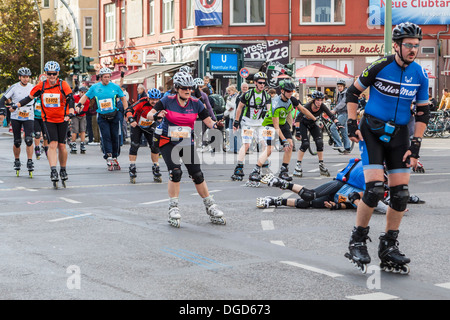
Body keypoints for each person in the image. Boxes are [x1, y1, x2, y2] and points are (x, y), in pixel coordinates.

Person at [344, 22, 430, 274]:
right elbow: (352, 93)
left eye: (417, 45)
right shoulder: (379, 66)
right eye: (409, 45)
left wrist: (415, 146)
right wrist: (351, 125)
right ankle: (357, 240)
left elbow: (423, 112)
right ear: (396, 45)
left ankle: (388, 245)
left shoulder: (420, 74)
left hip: (401, 135)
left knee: (401, 193)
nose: (413, 49)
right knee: (374, 189)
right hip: (371, 130)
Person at [146, 71, 226, 228]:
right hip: (168, 141)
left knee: (197, 174)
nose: (188, 91)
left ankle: (210, 205)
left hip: (186, 141)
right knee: (175, 172)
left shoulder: (196, 103)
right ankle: (173, 207)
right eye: (184, 88)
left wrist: (217, 125)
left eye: (190, 88)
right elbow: (149, 114)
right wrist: (156, 116)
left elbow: (209, 121)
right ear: (176, 88)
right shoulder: (167, 100)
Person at [257, 158, 424, 212]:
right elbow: (355, 198)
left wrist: (339, 206)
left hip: (337, 197)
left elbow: (350, 202)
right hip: (339, 186)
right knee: (309, 195)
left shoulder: (384, 189)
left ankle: (275, 201)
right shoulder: (376, 184)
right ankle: (282, 183)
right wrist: (389, 210)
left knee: (305, 204)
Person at [16, 61, 75, 188]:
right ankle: (53, 170)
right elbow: (29, 98)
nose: (52, 76)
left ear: (58, 73)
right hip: (48, 120)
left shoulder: (62, 84)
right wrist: (17, 105)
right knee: (52, 144)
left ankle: (63, 169)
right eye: (49, 74)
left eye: (54, 74)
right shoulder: (41, 86)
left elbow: (71, 98)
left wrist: (70, 112)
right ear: (46, 74)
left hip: (63, 119)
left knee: (62, 146)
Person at [260, 80, 314, 181]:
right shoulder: (275, 102)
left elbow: (303, 110)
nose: (290, 93)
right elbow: (276, 126)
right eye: (288, 91)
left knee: (290, 145)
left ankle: (284, 170)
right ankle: (257, 169)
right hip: (270, 124)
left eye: (292, 91)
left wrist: (314, 119)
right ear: (282, 91)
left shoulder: (292, 99)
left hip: (282, 123)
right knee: (269, 149)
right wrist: (283, 140)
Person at [76, 67, 128, 171]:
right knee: (106, 137)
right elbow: (85, 96)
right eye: (105, 77)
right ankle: (108, 156)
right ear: (101, 77)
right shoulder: (95, 87)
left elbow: (123, 98)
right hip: (102, 116)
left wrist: (127, 111)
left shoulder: (115, 87)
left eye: (108, 77)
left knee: (115, 137)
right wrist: (79, 104)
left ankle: (115, 156)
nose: (107, 79)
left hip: (114, 115)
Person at [231, 72, 273, 186]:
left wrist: (271, 120)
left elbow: (270, 110)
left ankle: (264, 166)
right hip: (247, 122)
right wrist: (236, 121)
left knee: (265, 144)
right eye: (260, 83)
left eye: (264, 83)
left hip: (260, 123)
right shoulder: (248, 94)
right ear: (255, 83)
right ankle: (239, 167)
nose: (262, 85)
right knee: (247, 145)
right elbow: (239, 108)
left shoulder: (267, 96)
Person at [293, 91, 342, 178]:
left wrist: (337, 123)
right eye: (317, 100)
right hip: (303, 123)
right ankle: (298, 165)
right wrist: (297, 131)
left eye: (321, 100)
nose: (319, 102)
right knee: (305, 144)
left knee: (319, 142)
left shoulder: (322, 106)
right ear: (313, 101)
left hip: (313, 123)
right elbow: (297, 119)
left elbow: (331, 115)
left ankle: (321, 164)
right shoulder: (307, 106)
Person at [1, 67, 35, 177]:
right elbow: (3, 99)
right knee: (17, 141)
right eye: (24, 77)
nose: (26, 79)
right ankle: (17, 160)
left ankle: (30, 161)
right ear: (19, 77)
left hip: (29, 115)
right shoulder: (14, 87)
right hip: (16, 115)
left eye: (27, 77)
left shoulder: (33, 87)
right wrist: (3, 111)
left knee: (29, 139)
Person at [125, 88, 163, 183]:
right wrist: (131, 119)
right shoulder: (142, 102)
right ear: (148, 98)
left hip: (150, 125)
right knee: (134, 145)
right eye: (152, 100)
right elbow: (129, 109)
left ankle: (156, 166)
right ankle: (132, 166)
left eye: (156, 100)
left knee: (154, 146)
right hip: (137, 125)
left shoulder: (161, 104)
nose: (154, 102)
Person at [330, 79, 352, 153]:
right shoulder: (340, 93)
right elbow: (338, 103)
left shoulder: (346, 93)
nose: (339, 88)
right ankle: (347, 148)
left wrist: (335, 109)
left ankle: (338, 144)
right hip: (341, 113)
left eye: (340, 86)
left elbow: (343, 103)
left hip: (344, 113)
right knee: (343, 131)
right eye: (338, 86)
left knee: (333, 127)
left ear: (344, 86)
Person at [70, 87, 90, 154]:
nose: (83, 94)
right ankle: (73, 144)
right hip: (75, 116)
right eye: (82, 92)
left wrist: (80, 112)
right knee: (75, 130)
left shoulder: (86, 100)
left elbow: (85, 110)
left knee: (83, 130)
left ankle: (82, 144)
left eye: (84, 93)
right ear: (79, 92)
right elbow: (71, 105)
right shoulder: (75, 97)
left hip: (82, 115)